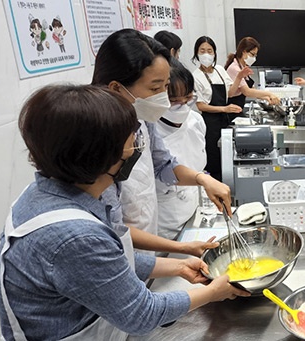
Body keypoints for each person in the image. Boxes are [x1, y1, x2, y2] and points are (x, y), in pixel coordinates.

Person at [0, 84, 249, 340]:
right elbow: (141, 315)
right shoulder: (74, 236)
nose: (136, 148)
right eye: (130, 143)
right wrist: (213, 292)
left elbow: (106, 265)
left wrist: (178, 266)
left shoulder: (50, 192)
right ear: (99, 155)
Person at [92, 29, 230, 255]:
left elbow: (163, 164)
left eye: (165, 87)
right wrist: (180, 249)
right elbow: (113, 228)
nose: (163, 99)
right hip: (121, 251)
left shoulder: (142, 119)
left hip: (148, 241)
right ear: (116, 88)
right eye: (155, 88)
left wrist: (201, 179)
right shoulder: (97, 140)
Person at [155, 59, 207, 239]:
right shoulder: (150, 130)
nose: (182, 106)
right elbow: (166, 169)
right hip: (165, 224)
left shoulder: (196, 122)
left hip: (194, 213)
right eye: (174, 101)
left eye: (188, 98)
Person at [191, 36, 246, 180]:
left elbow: (230, 93)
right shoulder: (195, 77)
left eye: (209, 51)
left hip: (224, 120)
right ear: (196, 53)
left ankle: (228, 184)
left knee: (227, 156)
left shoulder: (220, 70)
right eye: (202, 51)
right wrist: (224, 109)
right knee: (214, 158)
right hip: (209, 123)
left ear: (214, 53)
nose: (206, 54)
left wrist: (239, 77)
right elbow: (201, 105)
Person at [224, 37, 280, 109]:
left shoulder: (243, 67)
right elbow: (247, 91)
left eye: (255, 55)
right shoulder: (235, 68)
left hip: (239, 107)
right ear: (244, 52)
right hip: (231, 108)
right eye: (252, 54)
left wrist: (266, 97)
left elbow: (253, 90)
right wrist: (269, 94)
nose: (254, 58)